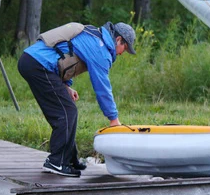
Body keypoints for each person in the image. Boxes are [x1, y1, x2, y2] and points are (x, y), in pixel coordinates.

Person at [18, 21, 136, 177]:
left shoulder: (94, 36)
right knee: (66, 112)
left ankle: (70, 159)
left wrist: (66, 86)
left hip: (34, 61)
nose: (122, 53)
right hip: (38, 65)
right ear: (118, 40)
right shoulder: (101, 49)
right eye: (125, 48)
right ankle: (56, 162)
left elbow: (65, 54)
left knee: (68, 109)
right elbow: (102, 89)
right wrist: (113, 118)